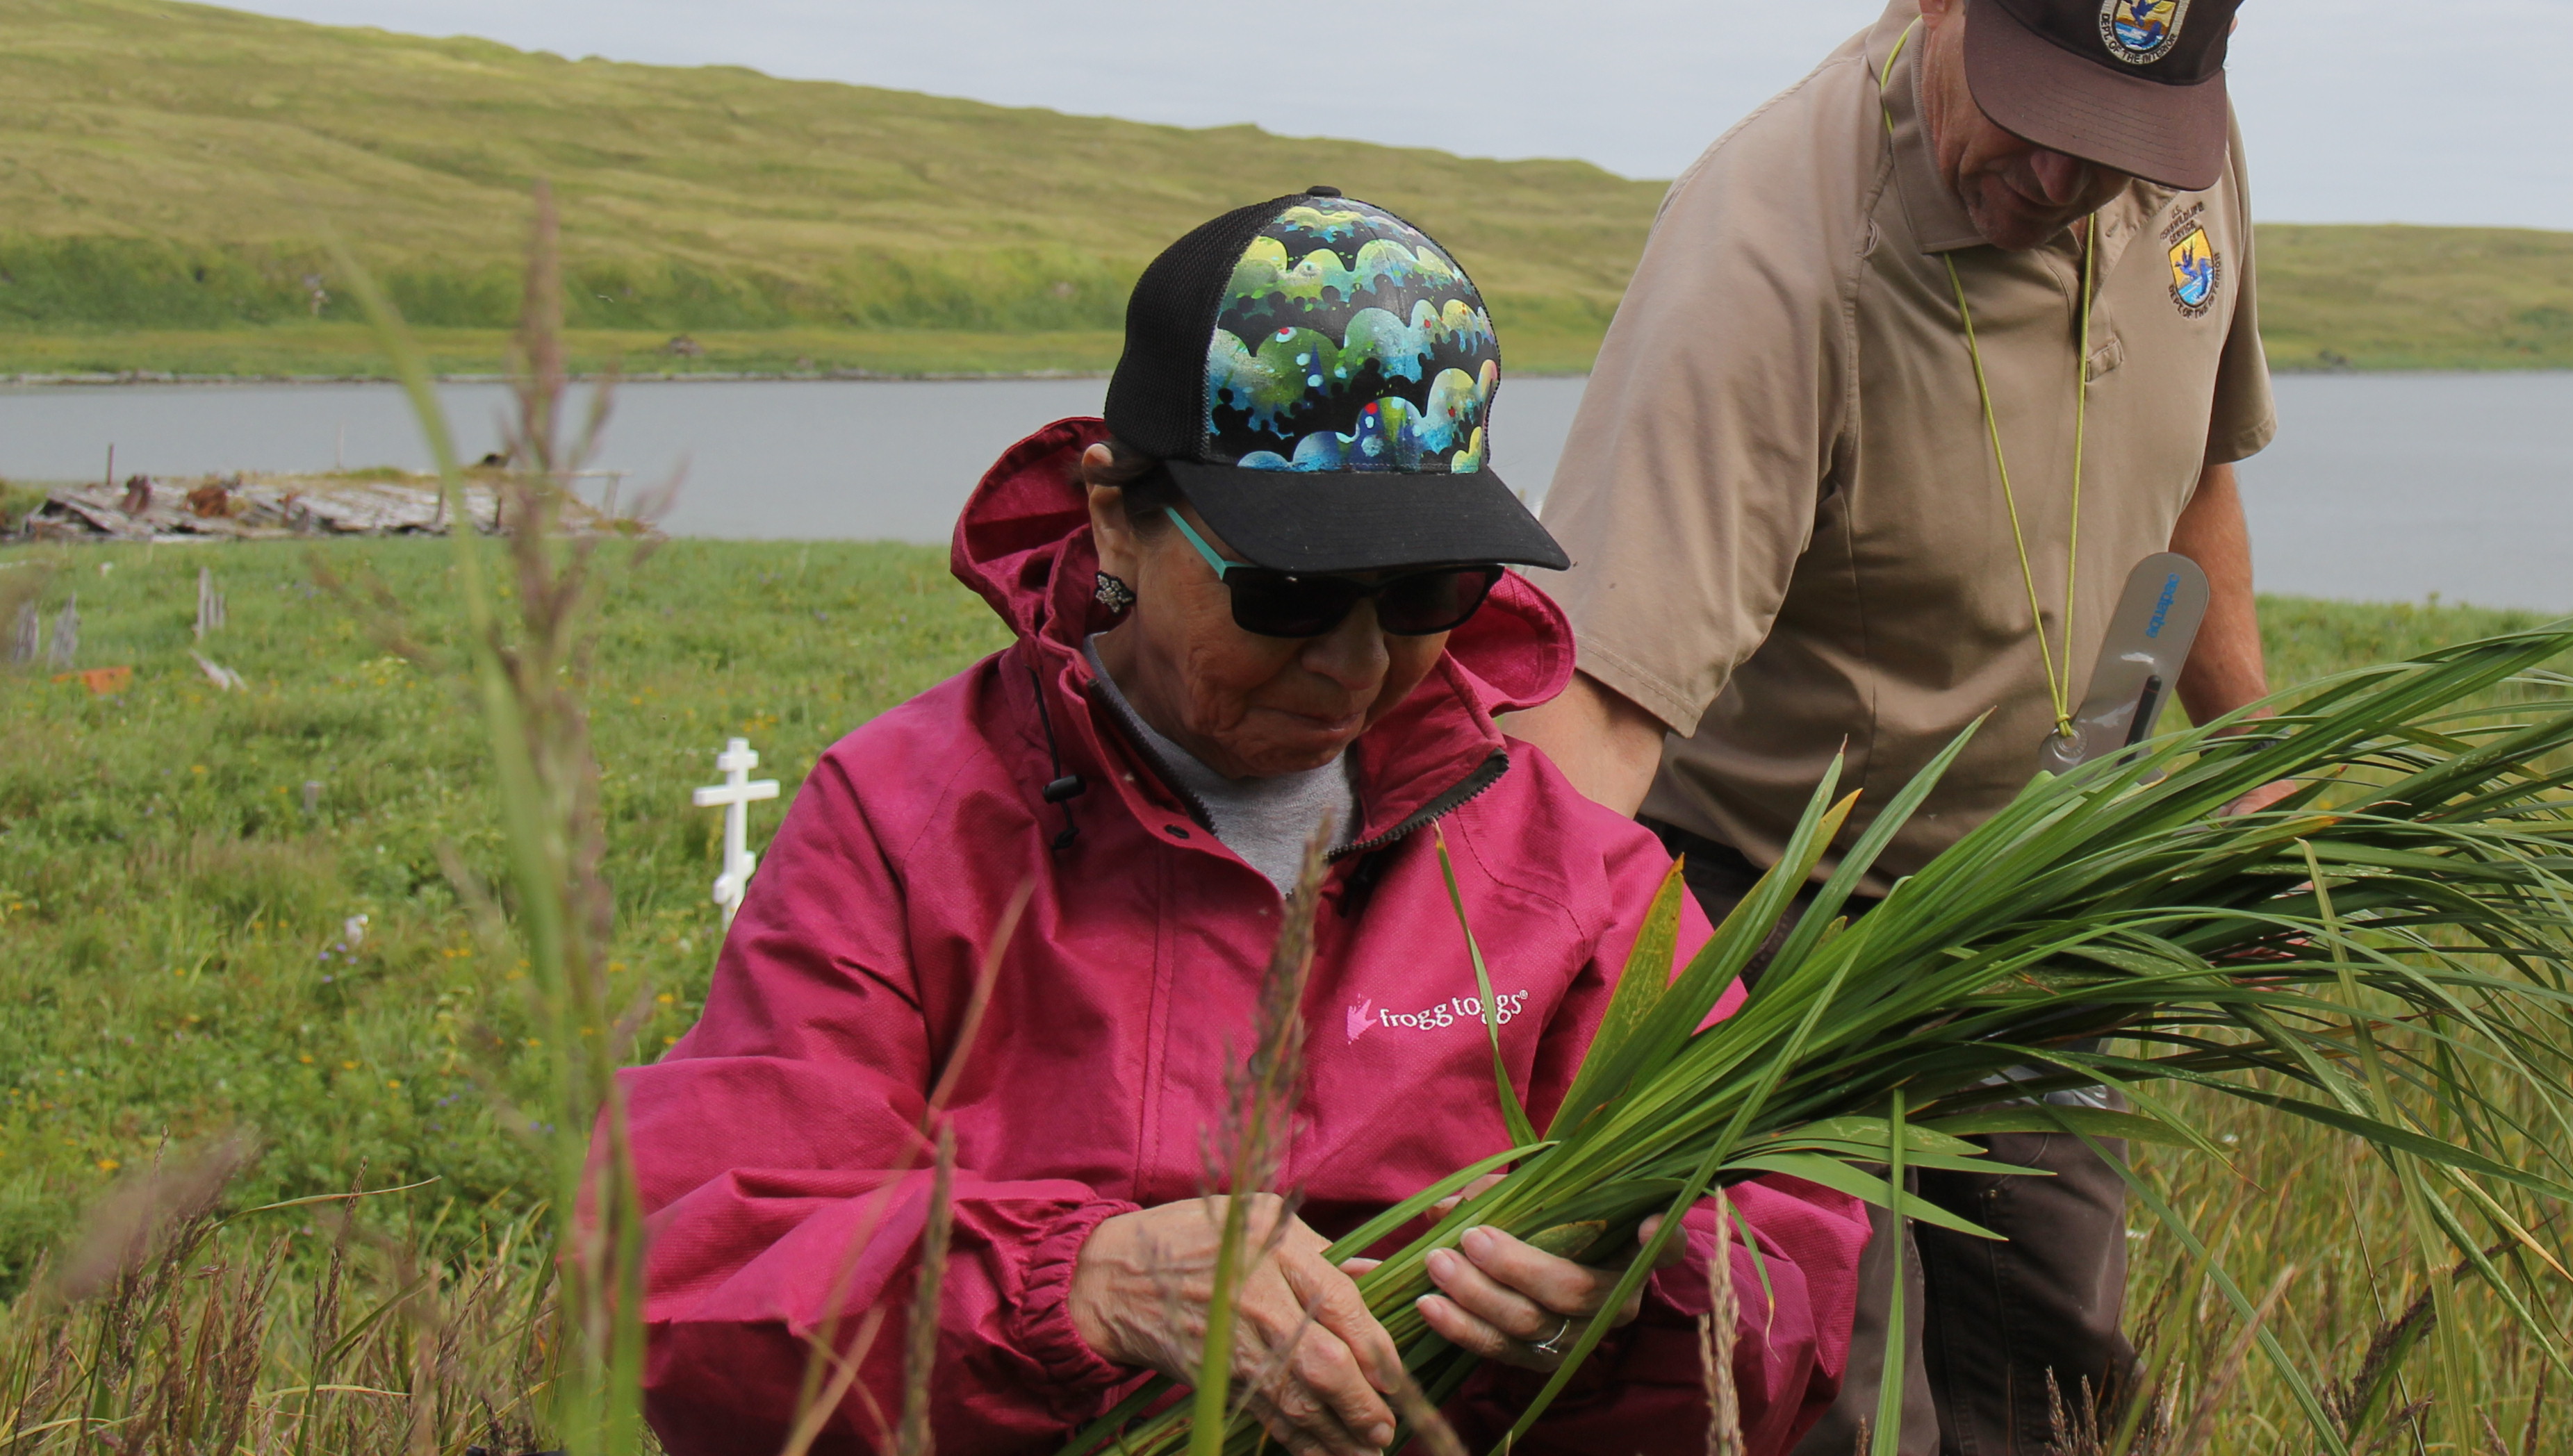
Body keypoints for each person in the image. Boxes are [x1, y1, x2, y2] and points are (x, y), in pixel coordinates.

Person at [627, 190, 1864, 1456]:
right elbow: (702, 1274)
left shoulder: (1567, 870)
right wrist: (1076, 1288)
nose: (1357, 663)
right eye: (1288, 594)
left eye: (1425, 592)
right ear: (1116, 517)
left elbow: (1785, 1246)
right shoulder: (905, 825)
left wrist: (1642, 1311)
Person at [1510, 0, 2277, 1456]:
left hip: (2045, 888)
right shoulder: (1766, 260)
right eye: (2036, 118)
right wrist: (1478, 1045)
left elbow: (2194, 476)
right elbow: (1601, 714)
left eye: (2117, 146)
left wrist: (2259, 770)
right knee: (1843, 1399)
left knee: (2058, 1367)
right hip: (1777, 914)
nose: (2065, 184)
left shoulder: (2178, 160)